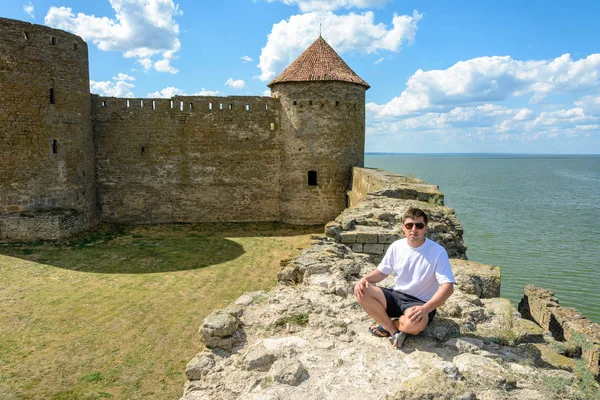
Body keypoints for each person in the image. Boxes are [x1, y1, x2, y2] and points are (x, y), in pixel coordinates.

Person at [354, 207, 455, 348]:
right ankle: (393, 330)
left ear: (425, 228)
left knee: (414, 325)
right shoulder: (397, 246)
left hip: (419, 303)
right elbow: (382, 272)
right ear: (403, 228)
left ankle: (393, 324)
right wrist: (365, 279)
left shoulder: (438, 252)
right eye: (409, 225)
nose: (414, 229)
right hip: (396, 296)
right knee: (360, 290)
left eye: (419, 225)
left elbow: (448, 287)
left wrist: (425, 309)